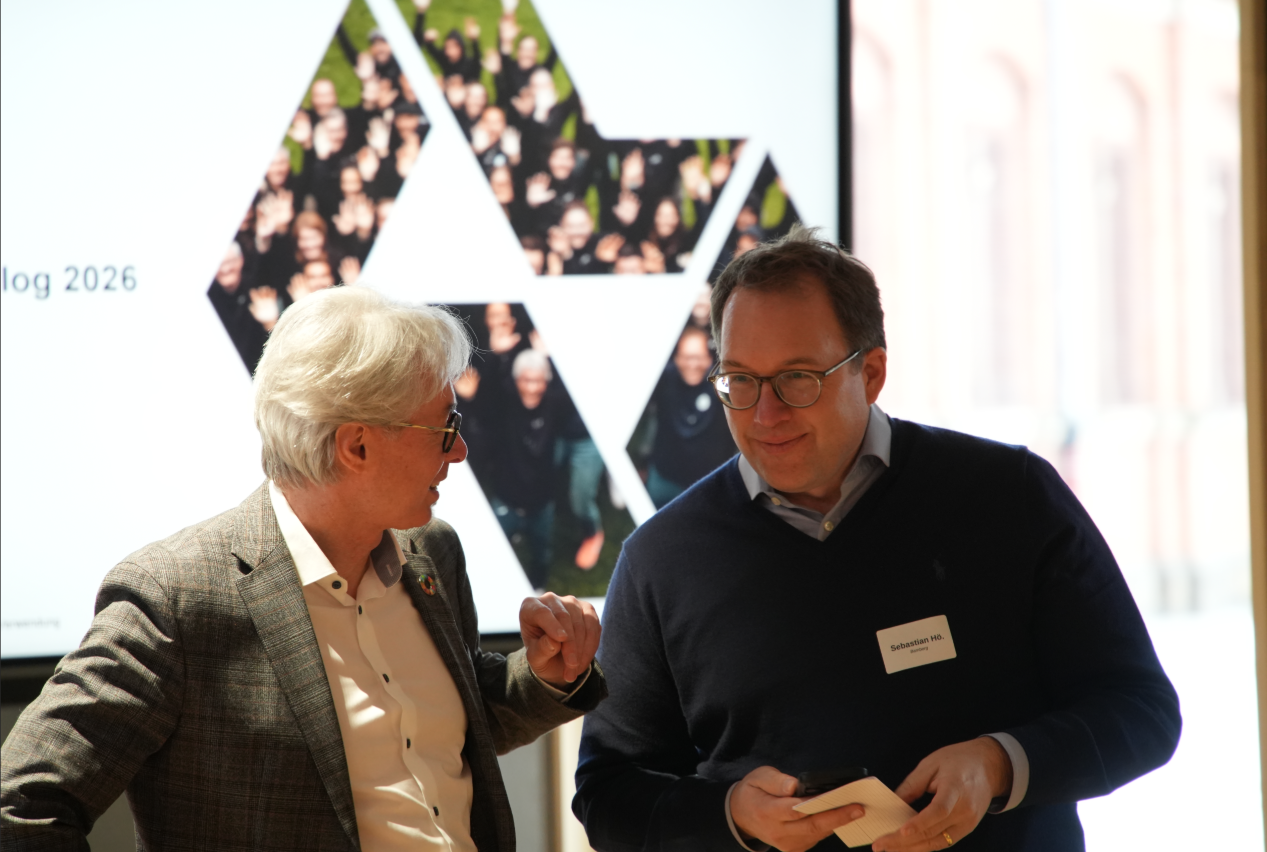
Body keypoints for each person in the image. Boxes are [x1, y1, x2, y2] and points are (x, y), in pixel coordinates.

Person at [573, 227, 1180, 852]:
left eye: (797, 379)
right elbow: (608, 794)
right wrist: (730, 813)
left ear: (871, 373)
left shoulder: (1010, 497)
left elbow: (1142, 711)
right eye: (741, 380)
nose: (764, 414)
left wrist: (999, 765)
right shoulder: (660, 560)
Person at [1, 287, 607, 850]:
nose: (461, 450)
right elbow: (21, 807)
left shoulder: (434, 552)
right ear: (357, 445)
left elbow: (445, 725)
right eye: (445, 427)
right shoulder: (176, 599)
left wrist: (543, 675)